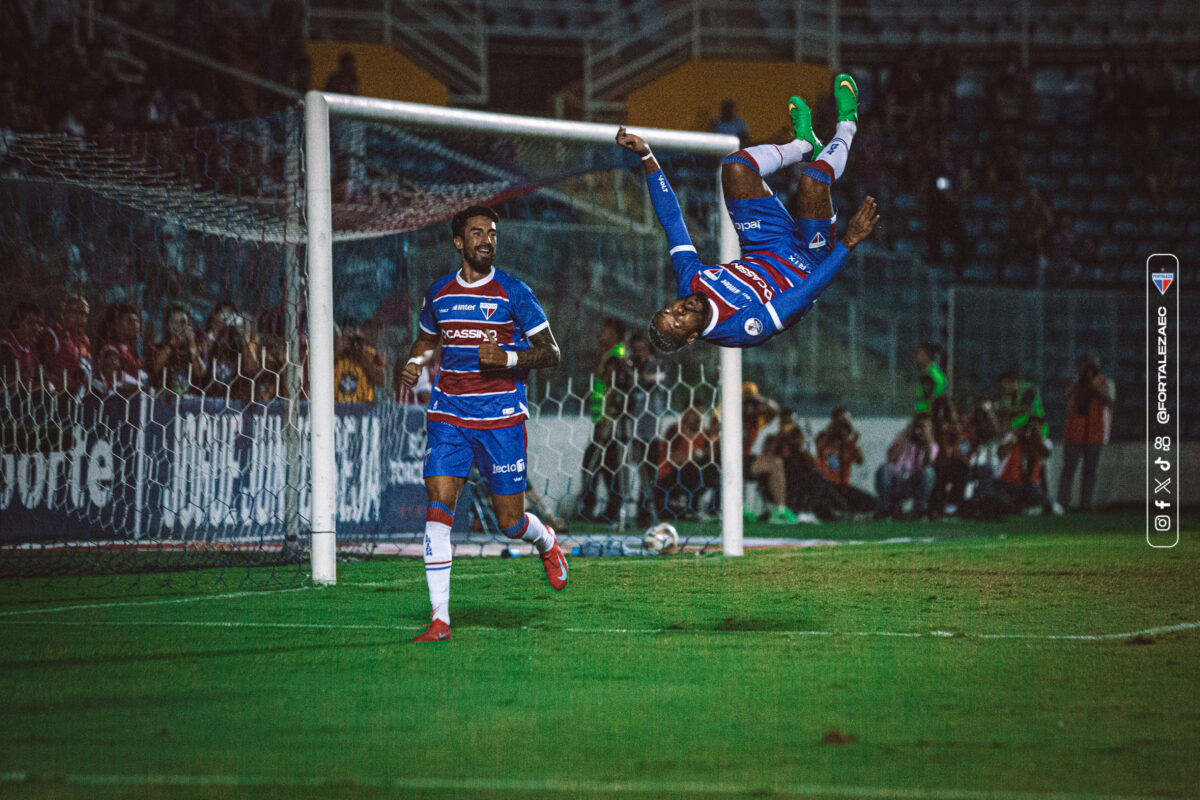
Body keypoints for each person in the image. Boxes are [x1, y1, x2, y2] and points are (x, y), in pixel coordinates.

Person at [616, 73, 879, 351]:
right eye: (680, 322)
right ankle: (847, 125)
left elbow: (671, 220)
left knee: (735, 167)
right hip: (806, 264)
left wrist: (647, 156)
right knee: (812, 182)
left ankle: (804, 146)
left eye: (671, 309)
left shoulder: (690, 282)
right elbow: (805, 293)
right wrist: (849, 242)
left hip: (764, 244)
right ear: (692, 337)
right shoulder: (743, 328)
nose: (681, 309)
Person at [399, 205, 566, 643]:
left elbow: (551, 351)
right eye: (477, 233)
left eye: (492, 233)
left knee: (510, 522)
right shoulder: (438, 293)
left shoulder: (514, 292)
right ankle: (440, 620)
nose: (487, 239)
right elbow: (427, 337)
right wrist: (416, 361)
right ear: (459, 242)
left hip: (501, 418)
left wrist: (507, 358)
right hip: (449, 415)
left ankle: (545, 541)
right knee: (438, 509)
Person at [577, 317, 630, 524]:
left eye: (606, 332)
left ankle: (598, 508)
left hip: (609, 423)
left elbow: (611, 390)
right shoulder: (610, 356)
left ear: (616, 335)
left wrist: (604, 421)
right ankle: (606, 509)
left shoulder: (615, 359)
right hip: (605, 420)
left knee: (599, 464)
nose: (601, 336)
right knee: (605, 466)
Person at [1057, 356, 1113, 512]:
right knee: (1069, 469)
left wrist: (1093, 385)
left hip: (1095, 433)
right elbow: (1065, 395)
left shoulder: (1104, 382)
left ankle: (1086, 504)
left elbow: (1110, 400)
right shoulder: (1074, 382)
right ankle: (1062, 503)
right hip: (1074, 433)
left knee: (1090, 471)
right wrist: (1080, 382)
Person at [874, 413, 938, 520]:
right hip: (898, 479)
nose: (919, 430)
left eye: (923, 427)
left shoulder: (932, 446)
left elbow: (928, 463)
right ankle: (884, 508)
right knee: (885, 469)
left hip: (915, 483)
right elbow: (890, 458)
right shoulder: (902, 437)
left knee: (928, 471)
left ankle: (920, 510)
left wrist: (925, 442)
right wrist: (905, 440)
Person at [815, 407, 875, 516]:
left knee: (873, 503)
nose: (846, 423)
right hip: (827, 485)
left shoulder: (849, 442)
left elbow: (860, 461)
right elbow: (827, 460)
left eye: (848, 420)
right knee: (840, 504)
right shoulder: (824, 438)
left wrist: (853, 443)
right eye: (842, 420)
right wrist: (832, 433)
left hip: (843, 486)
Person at [200, 302, 261, 404]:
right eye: (223, 318)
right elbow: (202, 361)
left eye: (230, 317)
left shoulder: (241, 345)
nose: (227, 323)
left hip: (237, 402)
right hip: (207, 401)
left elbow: (252, 370)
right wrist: (216, 330)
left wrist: (245, 336)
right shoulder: (208, 340)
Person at [37, 295, 91, 395]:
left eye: (84, 314)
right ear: (63, 313)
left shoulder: (84, 340)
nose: (81, 318)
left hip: (79, 393)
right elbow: (44, 370)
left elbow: (86, 366)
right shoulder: (50, 335)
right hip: (54, 394)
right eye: (76, 312)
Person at [149, 305, 206, 396]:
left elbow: (200, 372)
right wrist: (172, 344)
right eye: (175, 322)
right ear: (168, 325)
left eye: (182, 322)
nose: (179, 326)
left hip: (188, 398)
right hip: (164, 398)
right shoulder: (159, 345)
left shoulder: (196, 348)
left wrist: (192, 343)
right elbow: (155, 368)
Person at [93, 302, 146, 395]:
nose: (136, 325)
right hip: (115, 403)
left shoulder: (133, 352)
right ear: (116, 325)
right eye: (130, 321)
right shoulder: (111, 351)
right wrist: (142, 389)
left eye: (137, 321)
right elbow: (113, 383)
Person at [333, 322, 384, 403]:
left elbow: (381, 380)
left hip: (362, 406)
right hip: (336, 405)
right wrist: (339, 351)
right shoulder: (332, 357)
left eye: (357, 340)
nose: (352, 344)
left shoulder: (369, 355)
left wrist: (362, 357)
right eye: (348, 339)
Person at [0, 302, 45, 388]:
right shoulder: (4, 346)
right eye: (30, 323)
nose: (37, 328)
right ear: (16, 324)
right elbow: (9, 382)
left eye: (40, 324)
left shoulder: (31, 349)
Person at [998, 370, 1048, 438]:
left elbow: (1024, 408)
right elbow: (1005, 415)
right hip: (1015, 431)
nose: (1004, 388)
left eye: (1005, 385)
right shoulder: (1006, 397)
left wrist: (1002, 409)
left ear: (1012, 382)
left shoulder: (1028, 389)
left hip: (1035, 428)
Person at [914, 342, 947, 413]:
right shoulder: (925, 372)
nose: (917, 357)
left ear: (927, 356)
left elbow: (940, 387)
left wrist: (932, 411)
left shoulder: (934, 373)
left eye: (920, 354)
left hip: (928, 415)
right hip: (921, 413)